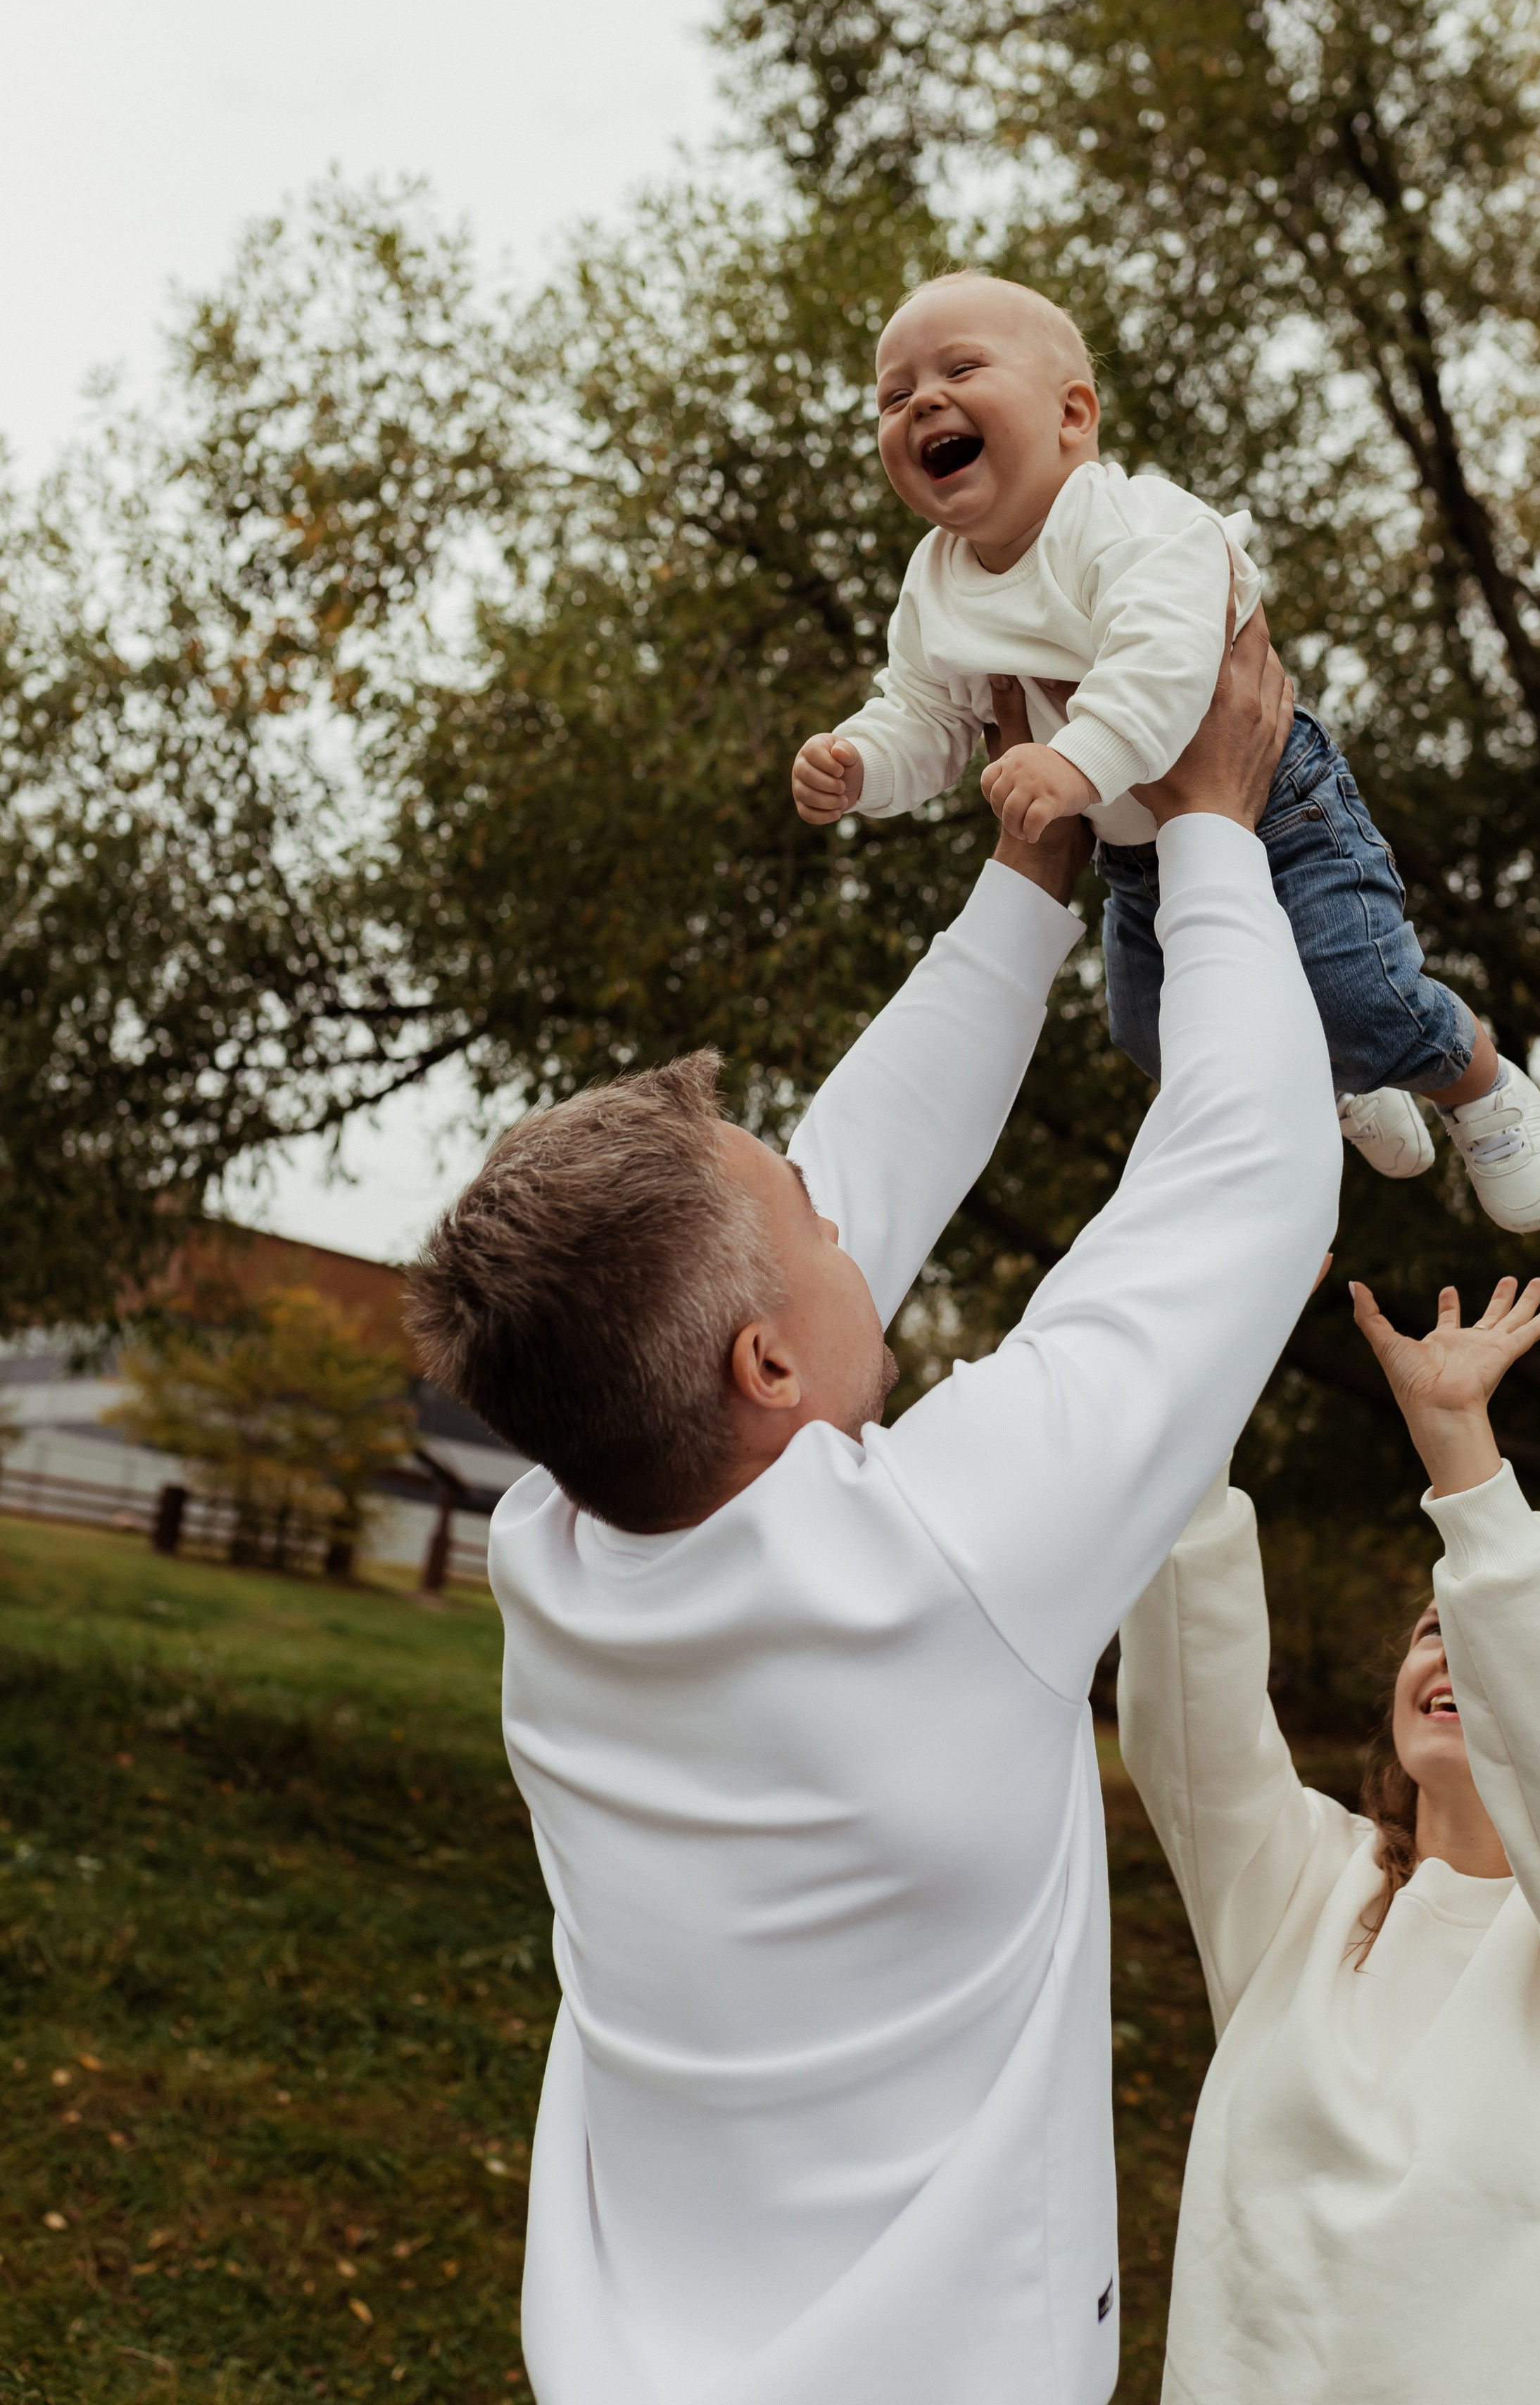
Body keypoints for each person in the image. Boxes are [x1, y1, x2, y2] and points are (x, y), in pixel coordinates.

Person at [405, 615, 1340, 2405]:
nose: (847, 1219)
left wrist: (1032, 868)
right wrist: (1215, 827)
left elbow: (840, 1181)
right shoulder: (938, 1558)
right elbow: (1246, 1175)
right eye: (813, 1225)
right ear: (763, 1365)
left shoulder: (567, 1539)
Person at [790, 269, 1540, 1236]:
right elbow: (924, 711)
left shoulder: (1132, 521)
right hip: (1137, 857)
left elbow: (1166, 661)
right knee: (1155, 1030)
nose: (923, 403)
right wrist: (863, 763)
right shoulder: (935, 583)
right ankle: (1335, 1079)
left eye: (959, 369)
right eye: (893, 395)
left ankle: (1475, 1079)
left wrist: (1075, 762)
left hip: (1282, 808)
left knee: (1357, 989)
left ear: (1073, 411)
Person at [1117, 1271, 1540, 2405]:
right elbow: (1188, 1699)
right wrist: (1216, 1345)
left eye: (1481, 1634)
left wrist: (1456, 1443)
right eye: (1428, 1633)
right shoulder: (1302, 1888)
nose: (1450, 1653)